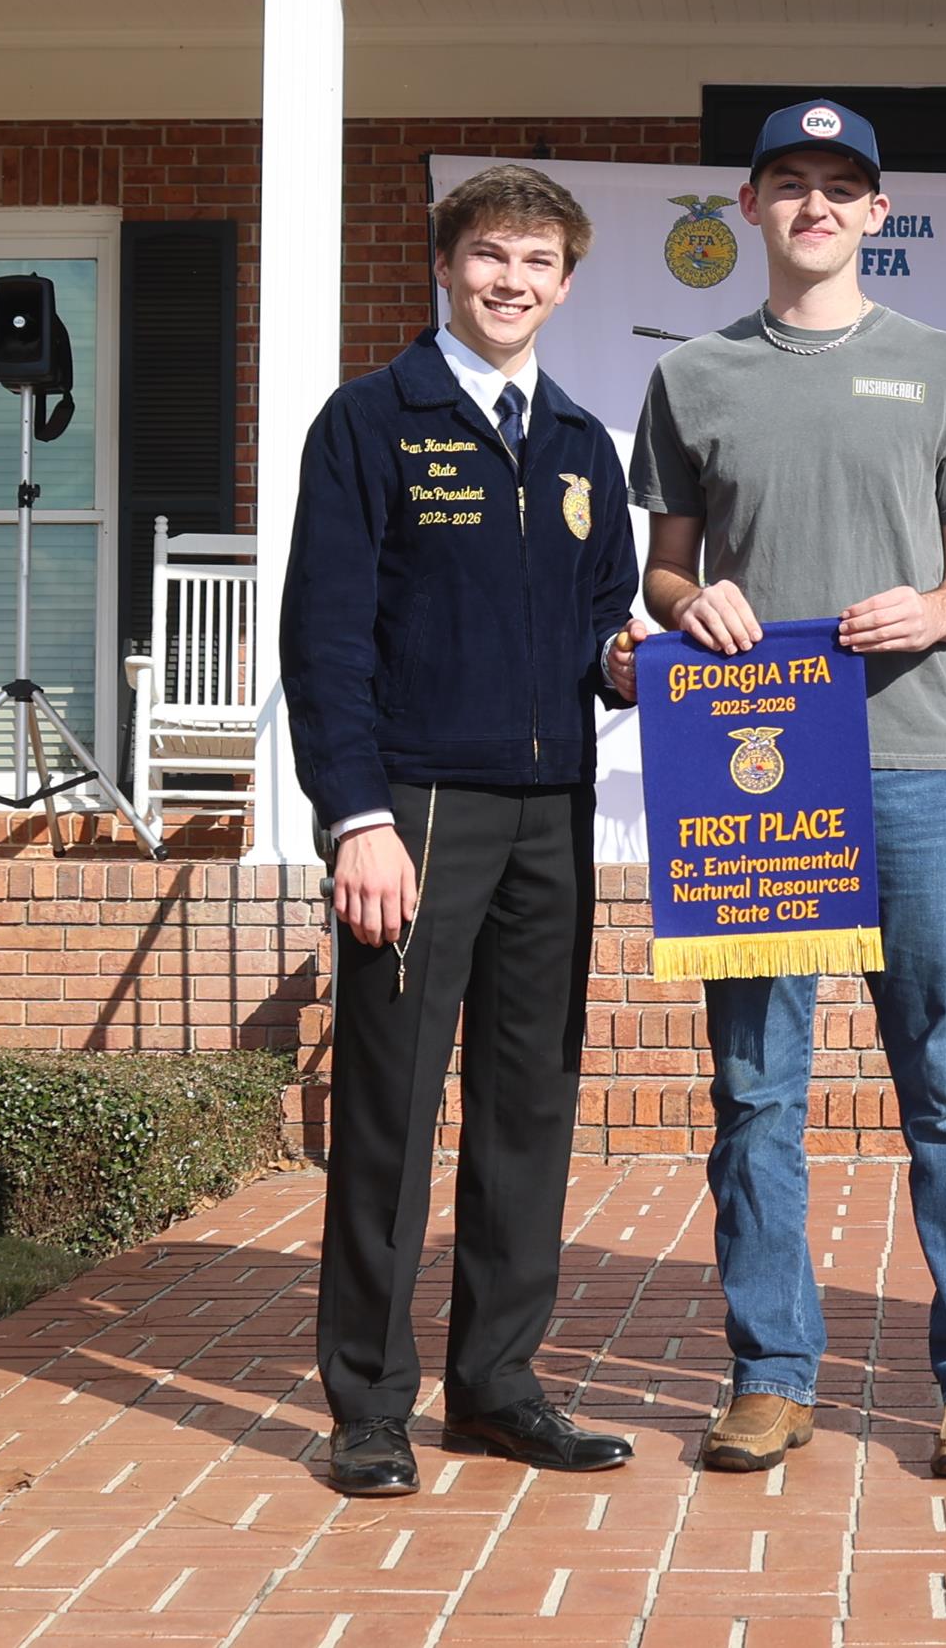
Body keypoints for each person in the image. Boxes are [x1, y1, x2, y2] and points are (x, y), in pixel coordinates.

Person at [630, 98, 946, 1478]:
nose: (814, 204)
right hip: (756, 778)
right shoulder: (692, 376)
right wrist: (689, 603)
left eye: (839, 185)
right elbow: (664, 568)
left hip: (914, 769)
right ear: (748, 206)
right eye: (789, 182)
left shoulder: (942, 366)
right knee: (756, 1090)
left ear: (876, 210)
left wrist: (937, 610)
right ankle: (769, 1370)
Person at [283, 163, 648, 1498]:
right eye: (490, 254)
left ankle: (497, 1383)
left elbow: (599, 622)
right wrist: (357, 819)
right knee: (390, 1106)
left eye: (538, 261)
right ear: (445, 265)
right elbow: (324, 640)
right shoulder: (370, 421)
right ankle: (369, 1403)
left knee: (527, 1104)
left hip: (554, 813)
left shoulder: (582, 442)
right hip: (417, 811)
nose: (512, 280)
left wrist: (627, 660)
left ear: (567, 282)